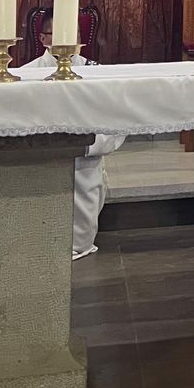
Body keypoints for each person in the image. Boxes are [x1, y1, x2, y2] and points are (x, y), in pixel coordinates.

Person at [29, 24, 125, 260]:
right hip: (39, 162)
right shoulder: (26, 74)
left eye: (74, 35)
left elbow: (116, 119)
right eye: (59, 34)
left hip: (84, 161)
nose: (68, 41)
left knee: (78, 238)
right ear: (43, 38)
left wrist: (86, 144)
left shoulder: (96, 73)